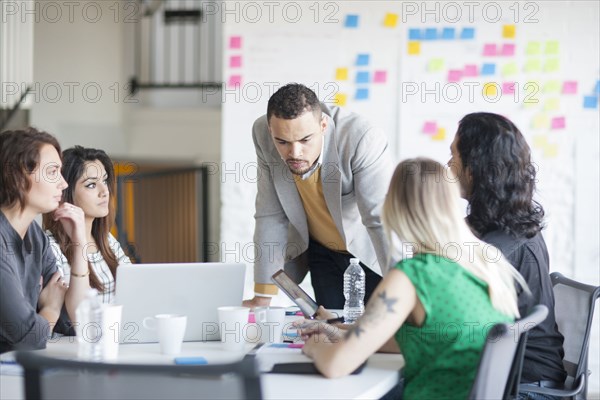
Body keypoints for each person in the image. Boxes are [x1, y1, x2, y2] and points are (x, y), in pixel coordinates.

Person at [299, 158, 528, 399]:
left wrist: (316, 345)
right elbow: (423, 340)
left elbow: (335, 366)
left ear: (394, 208)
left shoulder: (412, 276)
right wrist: (341, 332)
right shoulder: (483, 262)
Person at [243, 83, 394, 310]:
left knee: (384, 330)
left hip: (370, 253)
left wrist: (405, 290)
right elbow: (270, 214)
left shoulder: (361, 137)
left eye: (305, 140)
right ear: (270, 128)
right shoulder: (262, 134)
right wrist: (262, 297)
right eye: (282, 142)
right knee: (330, 327)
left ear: (324, 125)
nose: (295, 153)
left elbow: (379, 218)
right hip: (322, 250)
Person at [448, 112, 567, 396]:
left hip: (523, 387)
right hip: (509, 376)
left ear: (474, 168)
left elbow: (448, 324)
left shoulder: (500, 246)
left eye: (453, 156)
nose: (448, 166)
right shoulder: (500, 225)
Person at [0, 128, 88, 353]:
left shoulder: (35, 236)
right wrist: (49, 309)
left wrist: (78, 246)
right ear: (19, 176)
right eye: (52, 172)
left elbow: (73, 321)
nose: (64, 184)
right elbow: (28, 337)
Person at [43, 146, 131, 304]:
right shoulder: (49, 246)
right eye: (91, 184)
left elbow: (135, 285)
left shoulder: (107, 240)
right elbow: (76, 313)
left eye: (104, 181)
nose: (105, 191)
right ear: (65, 193)